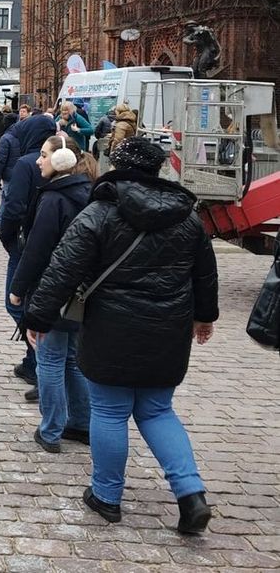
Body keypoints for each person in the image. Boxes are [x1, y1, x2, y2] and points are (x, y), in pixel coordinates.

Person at [24, 137, 218, 534]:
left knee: (110, 411)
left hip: (112, 326)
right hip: (168, 328)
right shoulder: (187, 215)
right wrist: (205, 316)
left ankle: (107, 496)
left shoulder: (101, 211)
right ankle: (191, 494)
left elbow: (63, 268)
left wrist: (39, 316)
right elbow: (204, 273)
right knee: (158, 410)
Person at [9, 135, 97, 453]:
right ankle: (81, 423)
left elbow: (36, 250)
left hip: (53, 289)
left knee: (49, 359)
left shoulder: (54, 199)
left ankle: (51, 429)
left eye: (44, 155)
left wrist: (18, 289)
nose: (37, 161)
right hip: (81, 293)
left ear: (60, 161)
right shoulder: (87, 193)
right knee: (72, 359)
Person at [0, 112, 59, 388]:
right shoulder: (61, 162)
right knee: (39, 301)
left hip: (25, 245)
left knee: (16, 302)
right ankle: (33, 360)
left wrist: (9, 239)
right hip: (55, 247)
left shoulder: (26, 163)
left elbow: (12, 209)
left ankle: (38, 357)